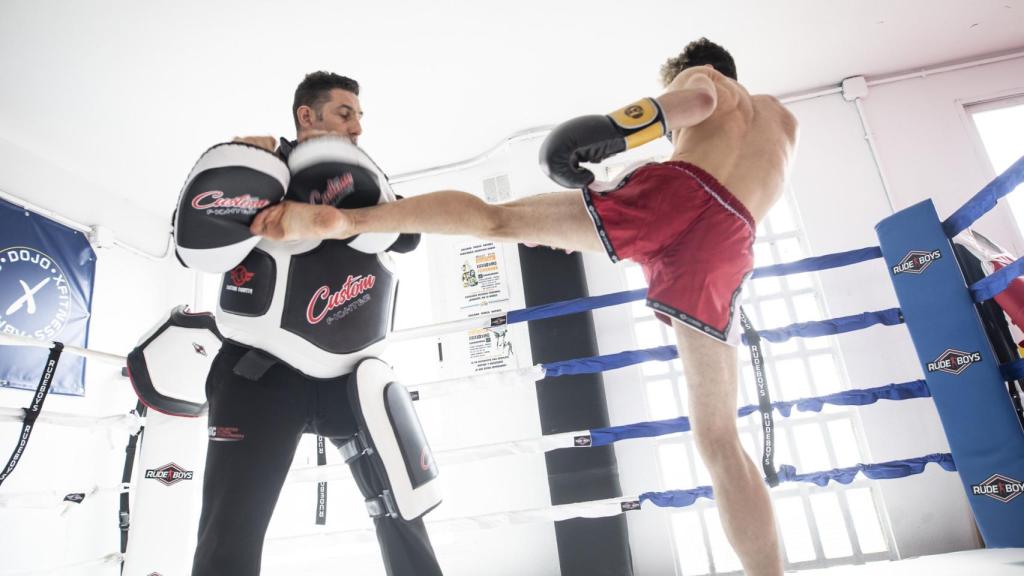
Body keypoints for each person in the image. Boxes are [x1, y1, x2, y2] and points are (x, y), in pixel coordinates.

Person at [252, 39, 797, 575]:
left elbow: (695, 105)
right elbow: (731, 185)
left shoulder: (707, 78)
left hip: (681, 195)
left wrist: (612, 130)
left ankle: (352, 222)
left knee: (499, 219)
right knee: (719, 438)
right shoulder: (782, 124)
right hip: (730, 244)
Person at [178, 71, 444, 576]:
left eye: (360, 117)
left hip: (352, 380)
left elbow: (408, 238)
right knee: (229, 533)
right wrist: (246, 166)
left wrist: (366, 204)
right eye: (345, 113)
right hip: (261, 374)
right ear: (308, 115)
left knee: (402, 512)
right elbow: (197, 237)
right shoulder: (257, 171)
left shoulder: (368, 181)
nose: (357, 127)